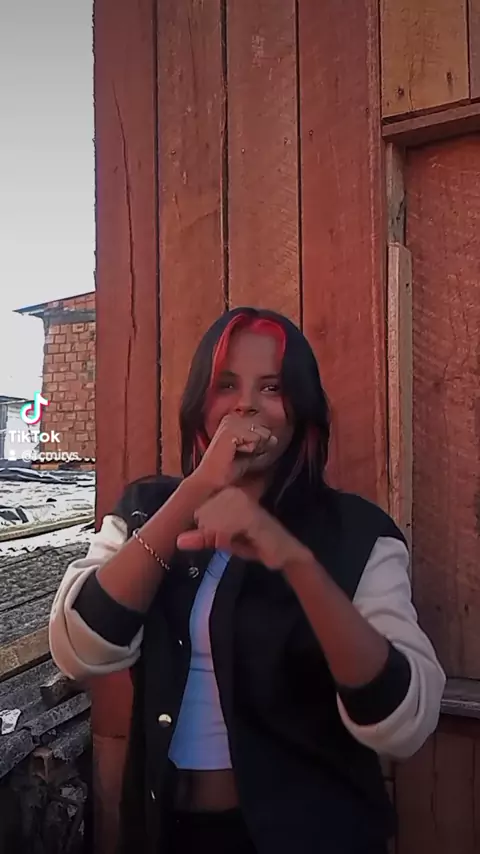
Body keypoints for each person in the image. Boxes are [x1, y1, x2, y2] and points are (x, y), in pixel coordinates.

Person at [49, 307, 445, 854]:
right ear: (200, 403)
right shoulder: (145, 508)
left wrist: (296, 562)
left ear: (301, 408)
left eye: (272, 387)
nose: (246, 405)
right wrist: (195, 490)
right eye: (226, 385)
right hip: (166, 834)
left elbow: (405, 723)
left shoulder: (359, 535)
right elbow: (79, 649)